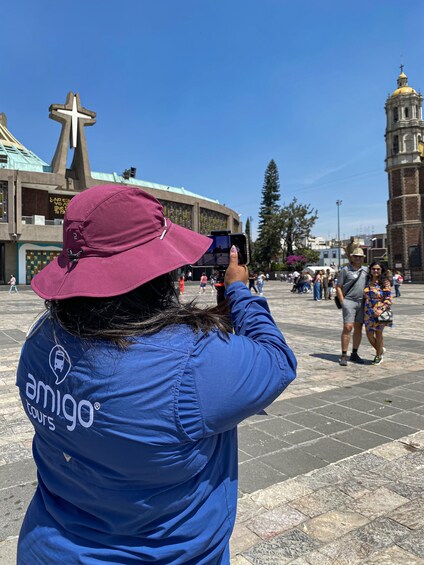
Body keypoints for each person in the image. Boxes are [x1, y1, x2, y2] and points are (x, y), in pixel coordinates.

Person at [16, 185, 297, 565]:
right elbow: (278, 360)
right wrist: (239, 292)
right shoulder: (193, 362)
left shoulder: (39, 340)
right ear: (158, 271)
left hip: (47, 547)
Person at [336, 248, 368, 366]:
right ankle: (344, 354)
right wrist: (342, 301)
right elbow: (338, 286)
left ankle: (354, 353)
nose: (358, 258)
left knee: (358, 327)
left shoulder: (366, 270)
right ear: (352, 257)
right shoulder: (345, 270)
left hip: (362, 302)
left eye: (360, 256)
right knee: (348, 327)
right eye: (356, 256)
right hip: (349, 301)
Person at [364, 261, 393, 365]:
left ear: (381, 270)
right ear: (370, 270)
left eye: (378, 269)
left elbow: (389, 298)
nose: (375, 271)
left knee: (378, 333)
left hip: (379, 311)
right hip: (368, 311)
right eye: (373, 269)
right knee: (369, 334)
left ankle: (378, 355)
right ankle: (380, 349)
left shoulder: (385, 282)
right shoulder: (367, 281)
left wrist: (381, 309)